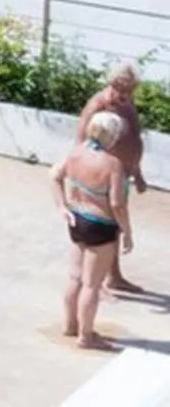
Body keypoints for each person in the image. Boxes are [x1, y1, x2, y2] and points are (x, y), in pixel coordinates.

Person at [55, 110, 133, 349]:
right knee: (91, 284)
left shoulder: (76, 152)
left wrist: (62, 206)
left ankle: (70, 325)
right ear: (112, 135)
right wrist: (127, 231)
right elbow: (117, 204)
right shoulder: (112, 164)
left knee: (75, 278)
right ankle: (86, 336)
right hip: (101, 225)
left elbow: (54, 176)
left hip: (77, 220)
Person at [77, 64, 150, 293]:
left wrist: (137, 173)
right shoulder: (98, 105)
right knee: (105, 228)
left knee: (114, 228)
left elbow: (134, 137)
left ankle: (113, 276)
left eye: (131, 91)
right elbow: (81, 142)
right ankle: (97, 280)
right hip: (104, 177)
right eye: (123, 90)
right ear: (114, 84)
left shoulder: (126, 103)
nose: (127, 95)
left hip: (124, 174)